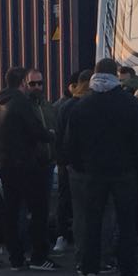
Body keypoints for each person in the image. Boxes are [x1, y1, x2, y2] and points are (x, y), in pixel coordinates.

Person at [60, 59, 138, 276]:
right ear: (115, 76)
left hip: (92, 173)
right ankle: (129, 272)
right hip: (124, 172)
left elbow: (71, 145)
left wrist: (81, 166)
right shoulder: (130, 104)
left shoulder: (82, 105)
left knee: (92, 222)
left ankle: (89, 271)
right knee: (126, 222)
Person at [0, 66, 57, 272]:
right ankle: (39, 257)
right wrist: (51, 134)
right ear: (22, 82)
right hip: (26, 165)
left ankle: (16, 257)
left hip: (6, 164)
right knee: (38, 210)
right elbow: (35, 130)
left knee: (12, 211)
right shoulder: (21, 102)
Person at [52, 69, 91, 251]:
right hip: (83, 165)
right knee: (84, 207)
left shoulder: (65, 106)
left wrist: (61, 160)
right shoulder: (85, 106)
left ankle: (64, 237)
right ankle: (83, 246)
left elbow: (58, 136)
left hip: (66, 163)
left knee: (66, 201)